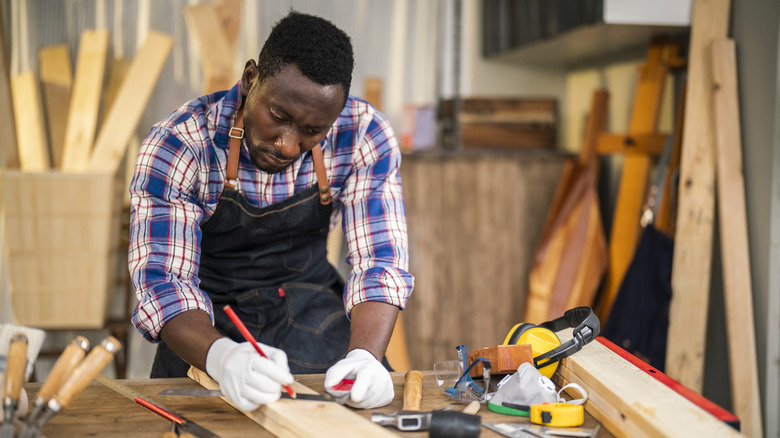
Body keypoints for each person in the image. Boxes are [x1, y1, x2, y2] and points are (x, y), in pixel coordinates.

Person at [128, 11, 414, 411]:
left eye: (312, 131)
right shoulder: (180, 144)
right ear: (250, 80)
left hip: (311, 308)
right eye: (279, 117)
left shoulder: (364, 132)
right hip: (208, 319)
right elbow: (164, 284)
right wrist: (221, 358)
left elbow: (379, 260)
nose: (288, 146)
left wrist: (365, 357)